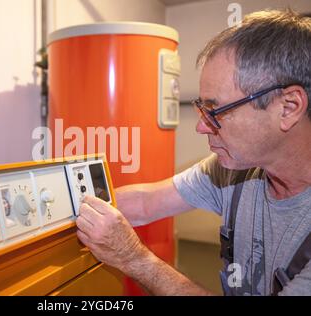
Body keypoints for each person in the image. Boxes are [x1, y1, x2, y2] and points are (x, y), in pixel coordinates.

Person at [76, 9, 311, 296]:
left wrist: (133, 258)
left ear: (288, 107)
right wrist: (65, 209)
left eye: (216, 110)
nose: (201, 126)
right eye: (202, 109)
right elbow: (145, 203)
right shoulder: (232, 170)